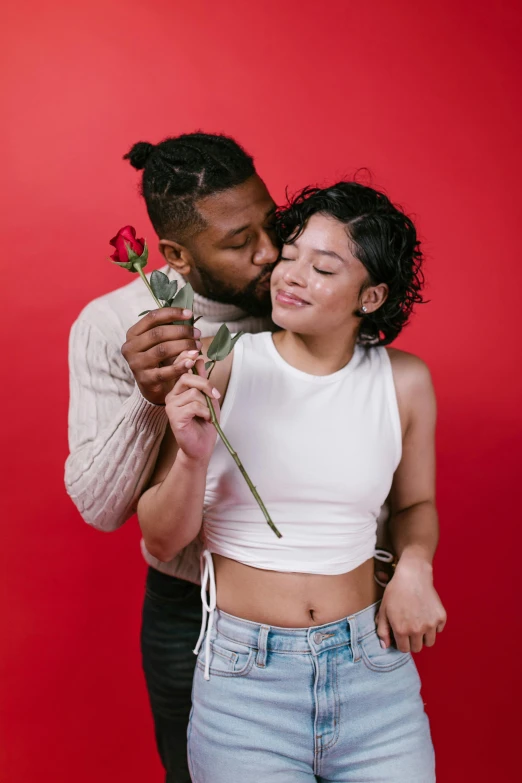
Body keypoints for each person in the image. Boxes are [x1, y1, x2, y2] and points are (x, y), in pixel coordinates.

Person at [138, 181, 447, 782]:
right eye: (290, 254)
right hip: (245, 689)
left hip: (374, 675)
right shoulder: (219, 365)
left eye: (323, 267)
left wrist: (415, 566)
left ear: (372, 295)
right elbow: (160, 539)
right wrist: (194, 459)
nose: (290, 275)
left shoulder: (403, 382)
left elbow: (417, 503)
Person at [65, 133, 278, 783]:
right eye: (241, 242)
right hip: (192, 612)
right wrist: (148, 397)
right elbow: (101, 509)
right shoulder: (111, 324)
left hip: (312, 599)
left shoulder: (298, 294)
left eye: (272, 225)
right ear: (177, 256)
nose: (270, 252)